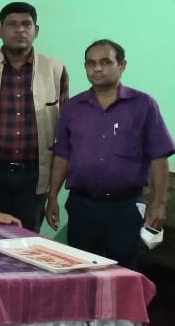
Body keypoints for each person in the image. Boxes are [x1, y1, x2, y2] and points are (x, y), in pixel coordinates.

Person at [47, 40, 174, 268]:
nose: (97, 68)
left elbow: (159, 156)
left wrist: (159, 203)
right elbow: (62, 155)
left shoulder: (143, 105)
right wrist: (52, 197)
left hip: (125, 207)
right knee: (81, 268)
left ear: (122, 65)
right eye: (91, 63)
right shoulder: (73, 107)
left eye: (105, 62)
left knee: (124, 271)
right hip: (82, 205)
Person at [0, 2, 68, 232]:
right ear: (0, 31)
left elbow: (65, 130)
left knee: (27, 239)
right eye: (12, 24)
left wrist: (54, 191)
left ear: (36, 30)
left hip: (35, 174)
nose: (20, 29)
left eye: (26, 24)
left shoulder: (55, 69)